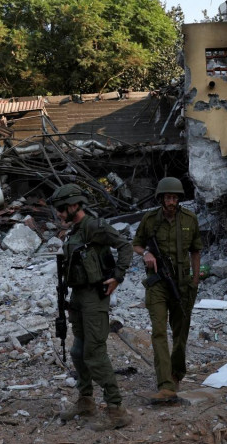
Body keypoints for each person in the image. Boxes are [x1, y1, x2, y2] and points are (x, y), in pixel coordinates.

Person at [50, 183, 134, 430]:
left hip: (95, 297)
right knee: (78, 352)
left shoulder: (94, 227)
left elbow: (125, 246)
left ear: (73, 205)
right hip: (77, 295)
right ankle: (86, 401)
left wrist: (118, 276)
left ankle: (117, 410)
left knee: (94, 354)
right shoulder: (76, 230)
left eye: (61, 209)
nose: (58, 214)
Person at [132, 177, 203, 401]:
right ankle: (164, 384)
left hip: (182, 284)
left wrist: (195, 280)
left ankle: (176, 373)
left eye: (174, 198)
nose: (171, 201)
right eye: (167, 198)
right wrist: (146, 254)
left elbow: (196, 250)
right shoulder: (150, 220)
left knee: (181, 333)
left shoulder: (190, 219)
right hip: (158, 284)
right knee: (159, 332)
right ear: (161, 199)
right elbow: (136, 244)